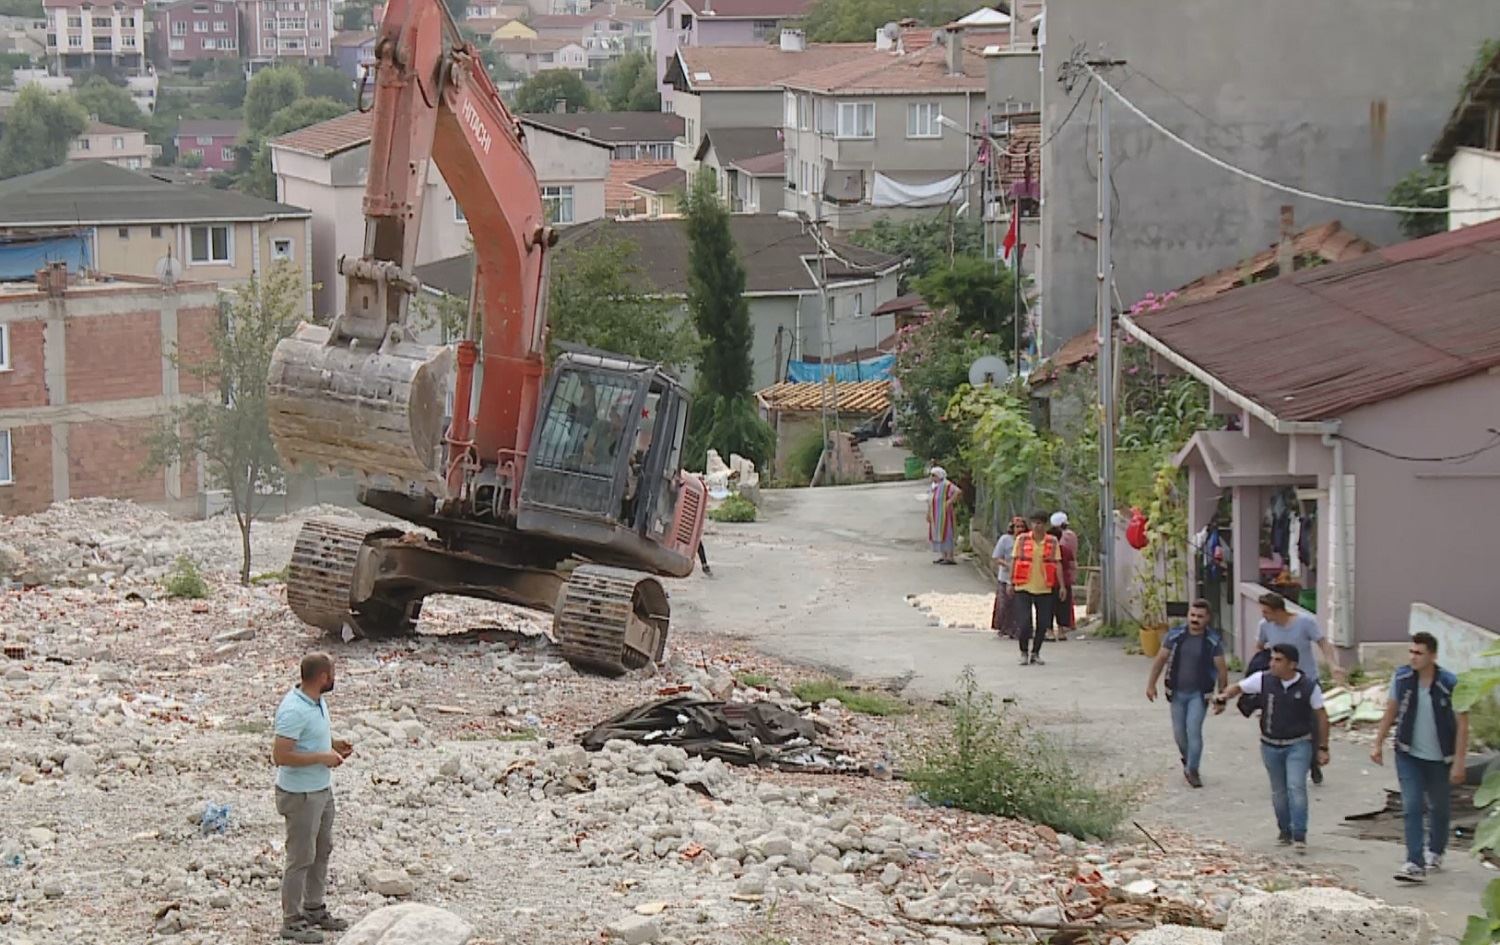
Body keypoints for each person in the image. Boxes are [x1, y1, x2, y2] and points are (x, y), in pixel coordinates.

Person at [1370, 632, 1469, 883]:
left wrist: (1459, 761)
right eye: (1411, 652)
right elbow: (1391, 709)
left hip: (1440, 758)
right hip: (1408, 753)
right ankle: (1414, 862)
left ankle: (1435, 850)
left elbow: (1462, 724)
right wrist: (1378, 742)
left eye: (1419, 653)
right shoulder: (1402, 678)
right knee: (1412, 806)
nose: (1413, 657)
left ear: (1432, 656)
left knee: (1439, 807)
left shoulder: (1449, 683)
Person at [1213, 643, 1331, 853]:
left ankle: (1300, 835)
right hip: (1270, 745)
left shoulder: (1308, 687)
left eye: (1278, 660)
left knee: (1296, 787)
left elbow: (1321, 716)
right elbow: (1239, 687)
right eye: (1272, 659)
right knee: (1279, 791)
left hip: (1298, 744)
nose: (1272, 664)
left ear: (1292, 665)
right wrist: (1224, 696)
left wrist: (1322, 747)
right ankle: (1284, 830)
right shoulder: (1263, 680)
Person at [272, 654, 354, 943]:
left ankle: (314, 906)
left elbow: (309, 737)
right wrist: (322, 757)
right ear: (322, 676)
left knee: (322, 850)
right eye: (332, 673)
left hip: (321, 789)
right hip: (300, 794)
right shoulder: (294, 709)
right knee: (300, 856)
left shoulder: (317, 701)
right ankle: (291, 920)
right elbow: (280, 755)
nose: (334, 677)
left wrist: (332, 744)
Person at [1257, 591, 1344, 784]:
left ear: (1279, 611)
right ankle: (1298, 763)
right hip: (1280, 684)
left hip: (1307, 681)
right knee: (1289, 725)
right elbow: (1260, 647)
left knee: (1313, 724)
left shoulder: (1305, 622)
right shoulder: (1265, 626)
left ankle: (1314, 762)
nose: (1264, 616)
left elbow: (1322, 643)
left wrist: (1332, 665)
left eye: (1267, 612)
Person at [1146, 599, 1228, 788]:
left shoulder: (1212, 640)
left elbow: (1222, 670)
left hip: (1199, 694)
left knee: (1194, 730)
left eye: (1200, 616)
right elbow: (1160, 660)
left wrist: (1222, 696)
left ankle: (1193, 770)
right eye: (1192, 615)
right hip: (1176, 692)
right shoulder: (1175, 636)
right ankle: (1188, 758)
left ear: (1207, 618)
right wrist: (1151, 684)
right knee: (1179, 734)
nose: (1195, 619)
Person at [1010, 511, 1060, 666]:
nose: (1037, 526)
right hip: (1023, 585)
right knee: (1024, 622)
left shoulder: (1052, 542)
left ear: (1045, 525)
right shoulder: (1022, 539)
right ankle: (1024, 652)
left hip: (1044, 587)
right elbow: (1015, 560)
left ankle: (1036, 652)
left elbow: (1057, 563)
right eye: (1034, 523)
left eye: (1040, 523)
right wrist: (1011, 582)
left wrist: (1062, 586)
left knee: (1043, 622)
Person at [990, 516, 1027, 638]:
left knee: (1018, 604)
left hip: (1022, 577)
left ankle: (1017, 629)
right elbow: (996, 557)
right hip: (1005, 576)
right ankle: (1003, 627)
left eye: (1022, 527)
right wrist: (1008, 565)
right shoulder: (1005, 540)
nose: (1020, 529)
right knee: (1004, 604)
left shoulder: (1027, 541)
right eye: (1017, 527)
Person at [1047, 513, 1078, 642]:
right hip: (1064, 580)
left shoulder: (1046, 550)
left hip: (1049, 581)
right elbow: (1072, 563)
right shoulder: (1069, 542)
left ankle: (1049, 631)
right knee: (1063, 606)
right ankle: (1061, 630)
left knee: (1048, 606)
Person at [926, 467, 962, 565]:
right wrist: (929, 513)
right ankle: (944, 555)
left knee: (947, 533)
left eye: (934, 475)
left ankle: (950, 556)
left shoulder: (946, 484)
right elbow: (930, 500)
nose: (932, 477)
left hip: (944, 514)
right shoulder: (934, 486)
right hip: (936, 514)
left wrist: (950, 501)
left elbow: (957, 491)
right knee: (938, 534)